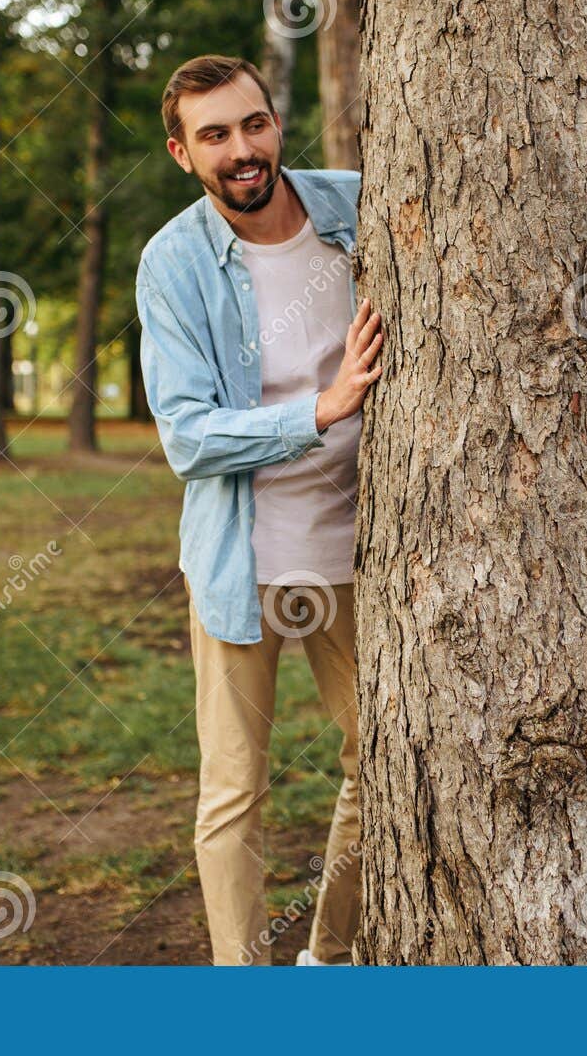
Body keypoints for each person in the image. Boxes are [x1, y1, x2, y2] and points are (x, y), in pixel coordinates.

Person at [135, 54, 383, 965]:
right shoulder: (171, 262)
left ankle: (327, 954)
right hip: (243, 558)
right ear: (181, 153)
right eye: (214, 136)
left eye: (252, 125)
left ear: (275, 123)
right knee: (234, 788)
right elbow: (187, 437)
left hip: (360, 550)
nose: (241, 150)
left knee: (384, 758)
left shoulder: (356, 204)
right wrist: (320, 410)